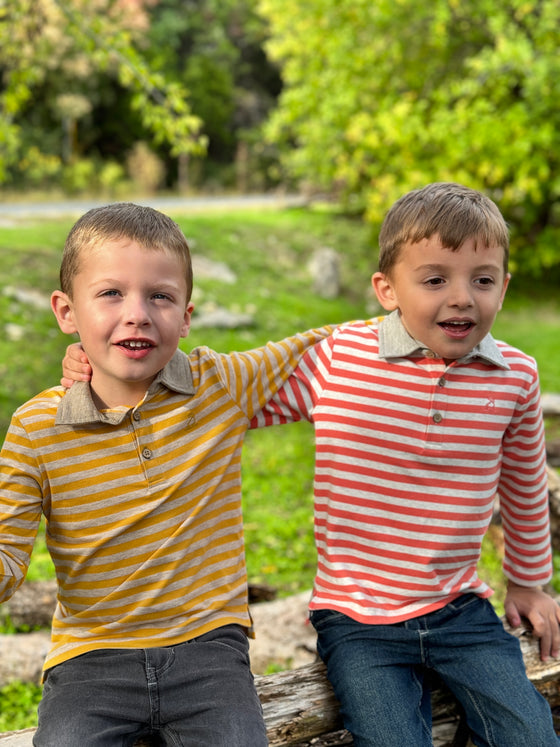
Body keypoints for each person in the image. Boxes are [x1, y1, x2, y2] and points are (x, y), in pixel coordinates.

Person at [0, 202, 332, 747]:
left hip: (209, 652)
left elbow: (326, 347)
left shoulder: (219, 385)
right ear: (66, 311)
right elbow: (9, 560)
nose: (138, 314)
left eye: (160, 296)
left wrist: (433, 308)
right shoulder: (37, 427)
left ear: (185, 315)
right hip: (91, 660)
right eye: (110, 294)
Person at [250, 182, 560, 746]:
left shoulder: (515, 376)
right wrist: (122, 370)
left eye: (483, 280)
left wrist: (530, 584)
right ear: (387, 289)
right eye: (436, 279)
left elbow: (523, 485)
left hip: (460, 608)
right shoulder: (338, 359)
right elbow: (236, 400)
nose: (463, 297)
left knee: (531, 735)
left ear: (505, 287)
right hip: (357, 618)